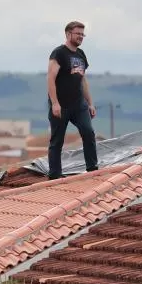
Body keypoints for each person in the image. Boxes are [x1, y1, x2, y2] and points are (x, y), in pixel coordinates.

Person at [46, 20, 98, 179]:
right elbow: (50, 78)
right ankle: (55, 175)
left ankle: (92, 169)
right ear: (68, 34)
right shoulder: (59, 53)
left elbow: (83, 80)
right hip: (61, 105)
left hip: (79, 104)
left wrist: (90, 103)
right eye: (78, 34)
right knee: (57, 141)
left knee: (88, 132)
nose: (81, 37)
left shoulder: (81, 54)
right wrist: (55, 103)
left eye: (83, 34)